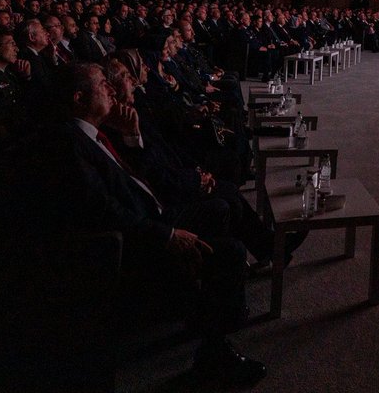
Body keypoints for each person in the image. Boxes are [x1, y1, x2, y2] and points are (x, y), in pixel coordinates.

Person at [50, 63, 266, 385]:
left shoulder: (97, 132)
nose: (111, 89)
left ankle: (205, 310)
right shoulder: (70, 143)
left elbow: (141, 173)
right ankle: (214, 354)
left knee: (221, 206)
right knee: (230, 252)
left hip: (153, 212)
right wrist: (167, 235)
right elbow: (103, 210)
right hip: (134, 240)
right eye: (102, 84)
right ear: (79, 98)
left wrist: (132, 135)